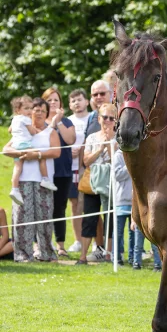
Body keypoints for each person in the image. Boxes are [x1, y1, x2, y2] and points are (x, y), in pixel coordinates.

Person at [2, 98, 61, 262]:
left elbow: (56, 153)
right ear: (30, 112)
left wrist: (37, 155)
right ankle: (22, 254)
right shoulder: (22, 130)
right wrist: (22, 154)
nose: (40, 113)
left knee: (45, 218)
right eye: (37, 110)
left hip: (44, 180)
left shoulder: (50, 132)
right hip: (23, 181)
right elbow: (6, 149)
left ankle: (46, 253)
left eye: (43, 111)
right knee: (22, 218)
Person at [77, 103, 117, 265]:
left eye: (111, 118)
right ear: (99, 118)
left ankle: (108, 255)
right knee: (89, 218)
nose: (107, 121)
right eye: (104, 117)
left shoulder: (119, 137)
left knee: (110, 217)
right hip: (93, 182)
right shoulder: (92, 138)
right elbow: (86, 161)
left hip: (111, 182)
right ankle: (83, 256)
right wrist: (100, 149)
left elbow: (118, 162)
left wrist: (109, 146)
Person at [42, 87, 77, 258]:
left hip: (63, 172)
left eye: (56, 100)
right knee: (43, 209)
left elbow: (70, 140)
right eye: (49, 100)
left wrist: (59, 121)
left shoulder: (68, 122)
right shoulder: (39, 122)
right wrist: (52, 122)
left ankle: (61, 245)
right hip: (43, 173)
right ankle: (42, 244)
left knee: (59, 209)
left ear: (61, 103)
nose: (53, 103)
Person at [7, 96, 51, 206]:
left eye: (30, 108)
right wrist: (36, 130)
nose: (29, 111)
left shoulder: (15, 119)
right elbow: (32, 132)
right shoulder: (25, 119)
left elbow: (9, 130)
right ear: (18, 110)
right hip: (24, 145)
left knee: (18, 168)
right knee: (40, 156)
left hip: (16, 145)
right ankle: (45, 179)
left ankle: (14, 189)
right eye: (26, 108)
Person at [67, 89, 91, 252]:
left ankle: (97, 241)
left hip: (88, 168)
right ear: (70, 105)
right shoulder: (68, 121)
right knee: (74, 205)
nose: (77, 103)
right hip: (70, 169)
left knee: (90, 205)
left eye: (79, 99)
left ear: (86, 101)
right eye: (73, 100)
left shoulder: (93, 118)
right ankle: (77, 240)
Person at [113, 147, 134, 265]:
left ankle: (132, 258)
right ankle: (116, 257)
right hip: (121, 200)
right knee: (118, 232)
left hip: (134, 201)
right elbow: (117, 175)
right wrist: (129, 165)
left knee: (133, 232)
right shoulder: (118, 156)